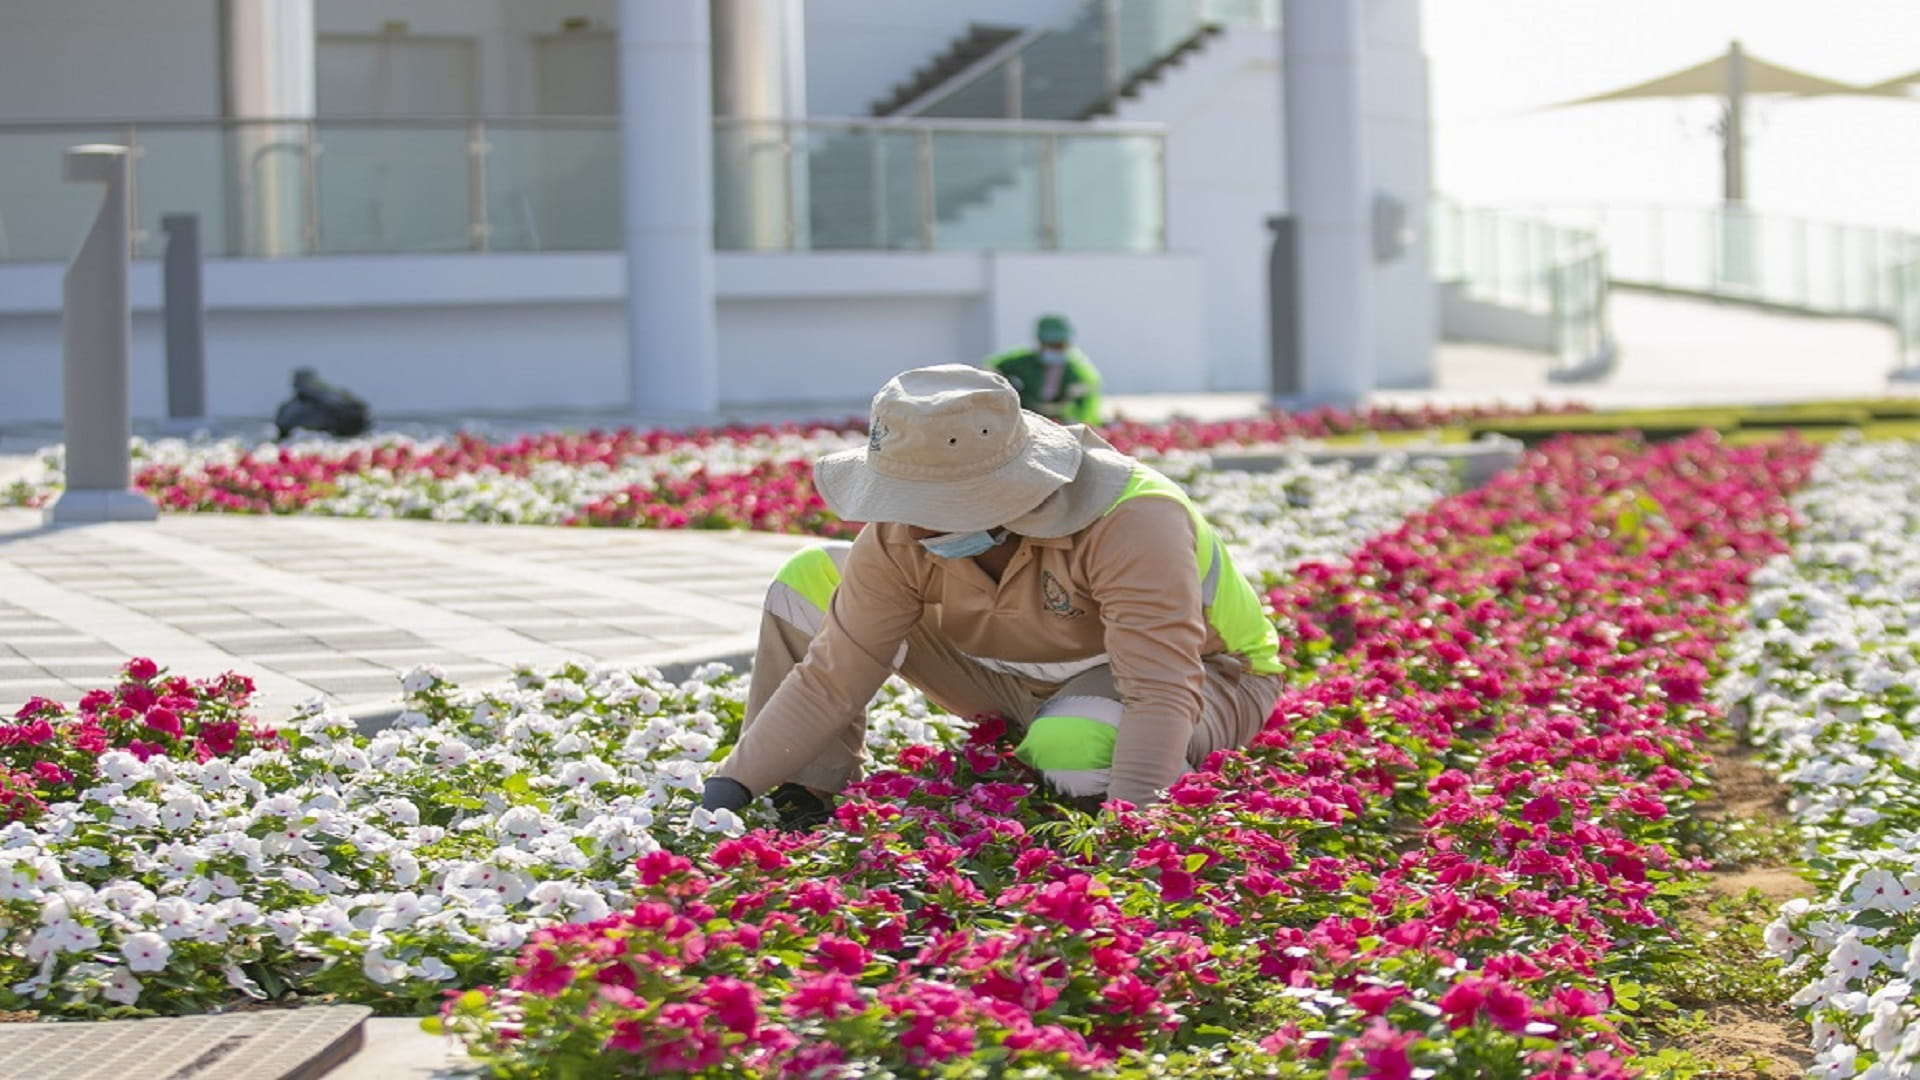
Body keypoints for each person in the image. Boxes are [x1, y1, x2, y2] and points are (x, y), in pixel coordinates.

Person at [700, 364, 1282, 828]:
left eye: (927, 504)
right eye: (896, 497)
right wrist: (730, 787)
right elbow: (833, 676)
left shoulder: (1131, 518)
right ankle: (806, 791)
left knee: (1073, 748)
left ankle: (1085, 747)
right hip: (1020, 674)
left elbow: (1158, 687)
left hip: (1201, 676)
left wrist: (1131, 835)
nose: (905, 524)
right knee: (812, 578)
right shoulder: (901, 528)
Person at [983, 314, 1104, 425]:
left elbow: (1088, 407)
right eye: (1049, 345)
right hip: (1025, 417)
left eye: (1059, 345)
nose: (1054, 349)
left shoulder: (1078, 370)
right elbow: (991, 367)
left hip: (1061, 422)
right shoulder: (1023, 361)